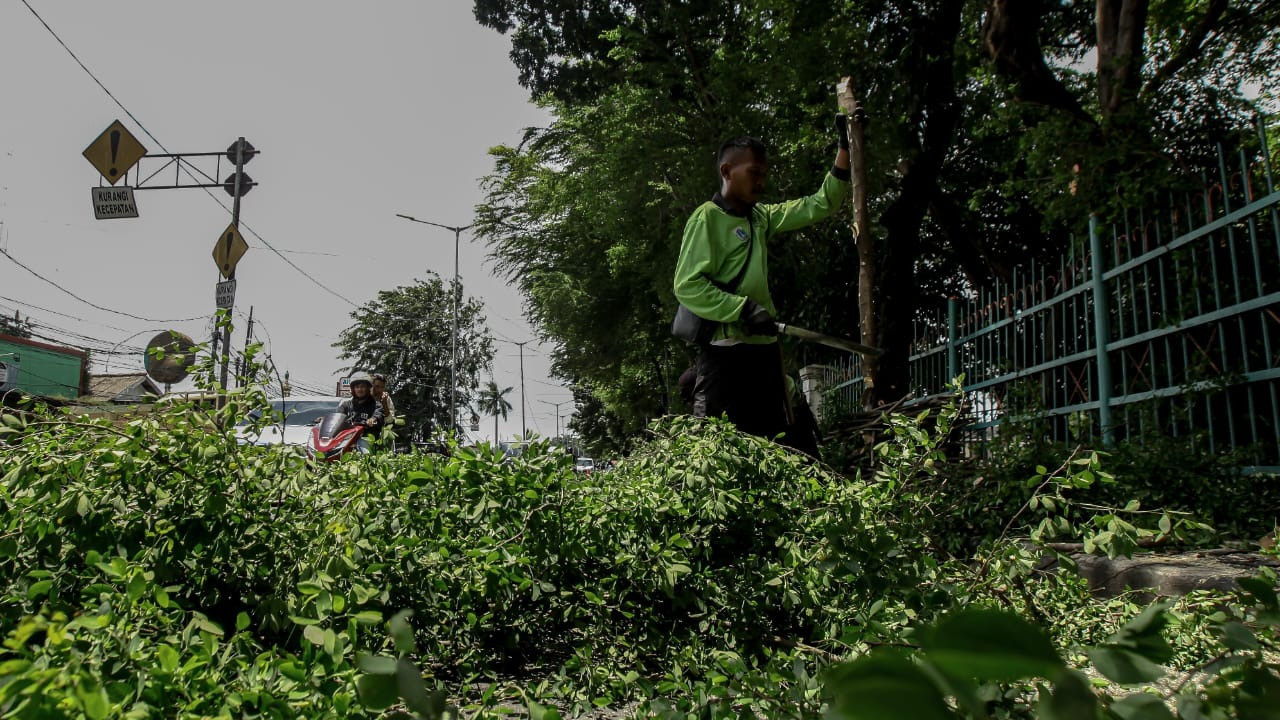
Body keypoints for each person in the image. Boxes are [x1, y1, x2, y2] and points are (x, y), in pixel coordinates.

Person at [672, 113, 855, 450]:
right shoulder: (707, 219)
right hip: (726, 356)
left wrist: (845, 148)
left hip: (766, 355)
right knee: (717, 452)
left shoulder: (761, 218)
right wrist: (743, 309)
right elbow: (687, 285)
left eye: (763, 175)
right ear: (727, 172)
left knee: (785, 449)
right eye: (753, 173)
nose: (760, 182)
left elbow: (822, 204)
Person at [337, 371, 383, 452]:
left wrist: (373, 419)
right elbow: (338, 417)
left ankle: (368, 464)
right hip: (346, 438)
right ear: (353, 389)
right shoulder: (346, 405)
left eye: (362, 387)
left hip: (365, 438)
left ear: (368, 388)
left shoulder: (376, 405)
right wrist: (325, 419)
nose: (359, 389)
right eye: (357, 387)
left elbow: (378, 415)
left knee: (365, 453)